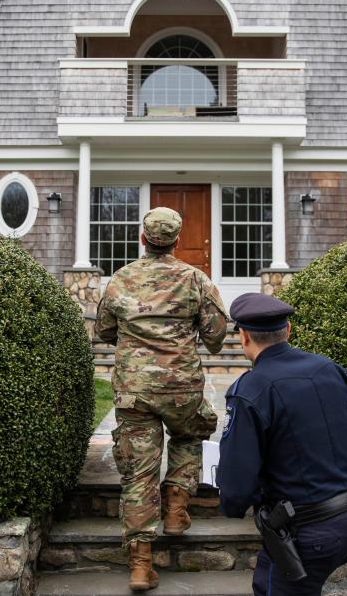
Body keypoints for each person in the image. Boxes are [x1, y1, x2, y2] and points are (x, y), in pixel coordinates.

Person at [218, 293, 347, 596]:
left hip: (308, 533)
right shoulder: (329, 369)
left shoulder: (251, 389)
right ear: (288, 330)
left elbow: (236, 485)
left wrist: (232, 504)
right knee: (267, 580)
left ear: (243, 337)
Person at [95, 206, 229, 592]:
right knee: (189, 434)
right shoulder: (194, 279)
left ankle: (140, 565)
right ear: (176, 240)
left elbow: (105, 329)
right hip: (181, 386)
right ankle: (175, 508)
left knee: (138, 473)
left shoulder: (121, 279)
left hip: (134, 389)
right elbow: (217, 334)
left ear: (143, 238)